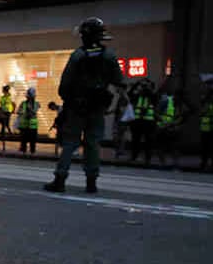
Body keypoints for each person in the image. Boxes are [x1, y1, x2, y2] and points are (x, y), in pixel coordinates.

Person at [43, 17, 124, 194]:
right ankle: (91, 182)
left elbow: (64, 85)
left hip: (77, 107)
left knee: (70, 143)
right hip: (97, 108)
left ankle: (60, 179)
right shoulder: (109, 56)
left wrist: (69, 101)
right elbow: (119, 81)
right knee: (93, 143)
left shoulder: (78, 56)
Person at [129, 78, 157, 165]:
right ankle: (134, 156)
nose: (144, 88)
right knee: (135, 141)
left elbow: (153, 96)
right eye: (143, 87)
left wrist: (147, 86)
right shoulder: (137, 96)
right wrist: (137, 84)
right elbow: (129, 94)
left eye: (146, 87)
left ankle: (147, 158)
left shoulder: (152, 96)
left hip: (148, 122)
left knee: (148, 141)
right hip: (138, 121)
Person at [154, 86, 183, 170]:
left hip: (172, 129)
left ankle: (175, 164)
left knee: (174, 147)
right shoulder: (166, 101)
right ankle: (163, 163)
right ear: (175, 95)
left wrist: (176, 123)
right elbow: (156, 112)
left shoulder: (180, 103)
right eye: (179, 96)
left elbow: (181, 116)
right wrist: (163, 121)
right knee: (161, 146)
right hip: (163, 128)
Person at [18, 87, 40, 155]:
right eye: (29, 95)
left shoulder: (36, 103)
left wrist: (30, 109)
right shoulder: (23, 103)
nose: (29, 97)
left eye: (31, 95)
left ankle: (32, 152)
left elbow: (34, 112)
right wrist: (21, 112)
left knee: (32, 140)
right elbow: (19, 111)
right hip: (24, 125)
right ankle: (24, 151)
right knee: (23, 140)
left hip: (33, 126)